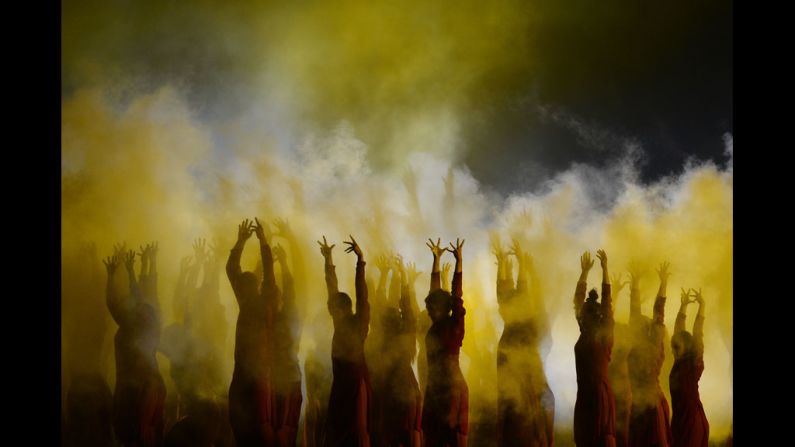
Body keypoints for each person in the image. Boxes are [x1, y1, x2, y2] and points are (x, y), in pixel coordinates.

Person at [494, 236, 554, 446]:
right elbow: (509, 293)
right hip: (516, 360)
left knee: (539, 401)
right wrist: (515, 265)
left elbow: (508, 293)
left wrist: (507, 265)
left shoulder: (520, 319)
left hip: (519, 359)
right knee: (535, 402)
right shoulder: (519, 320)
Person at [105, 245, 166, 447]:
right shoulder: (151, 322)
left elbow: (114, 303)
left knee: (136, 436)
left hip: (138, 391)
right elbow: (144, 297)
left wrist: (114, 276)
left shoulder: (131, 325)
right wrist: (136, 269)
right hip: (152, 386)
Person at [227, 218, 278, 446]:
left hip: (258, 376)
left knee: (258, 429)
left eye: (244, 286)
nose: (240, 289)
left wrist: (262, 240)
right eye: (241, 287)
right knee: (240, 424)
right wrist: (240, 242)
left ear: (253, 288)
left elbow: (268, 271)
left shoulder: (265, 302)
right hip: (242, 374)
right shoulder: (246, 302)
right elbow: (231, 270)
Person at [319, 235, 372, 446]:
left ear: (343, 308)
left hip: (355, 385)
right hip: (340, 385)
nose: (331, 311)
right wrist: (328, 259)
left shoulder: (358, 323)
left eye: (334, 308)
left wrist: (360, 261)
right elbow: (331, 287)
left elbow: (362, 296)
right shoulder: (339, 323)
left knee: (357, 434)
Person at [421, 238, 468, 447]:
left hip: (451, 388)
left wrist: (459, 262)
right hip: (434, 387)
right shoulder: (437, 322)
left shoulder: (454, 324)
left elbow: (456, 295)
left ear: (441, 308)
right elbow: (435, 292)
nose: (429, 311)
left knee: (449, 436)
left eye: (432, 308)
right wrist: (436, 260)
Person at [572, 250, 615, 447]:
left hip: (600, 399)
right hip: (584, 397)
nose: (585, 313)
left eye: (590, 312)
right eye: (585, 312)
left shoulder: (604, 336)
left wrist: (605, 269)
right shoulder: (583, 332)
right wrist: (584, 273)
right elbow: (578, 300)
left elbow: (607, 303)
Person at [627, 262, 672, 447]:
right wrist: (635, 286)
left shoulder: (653, 347)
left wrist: (662, 284)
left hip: (651, 405)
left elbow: (657, 313)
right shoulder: (646, 345)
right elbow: (640, 314)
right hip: (641, 405)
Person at [669, 288, 709, 447]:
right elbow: (678, 330)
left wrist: (702, 306)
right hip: (680, 421)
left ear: (686, 346)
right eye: (673, 347)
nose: (673, 350)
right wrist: (683, 306)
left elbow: (697, 333)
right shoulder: (678, 360)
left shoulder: (693, 364)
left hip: (691, 423)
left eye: (676, 348)